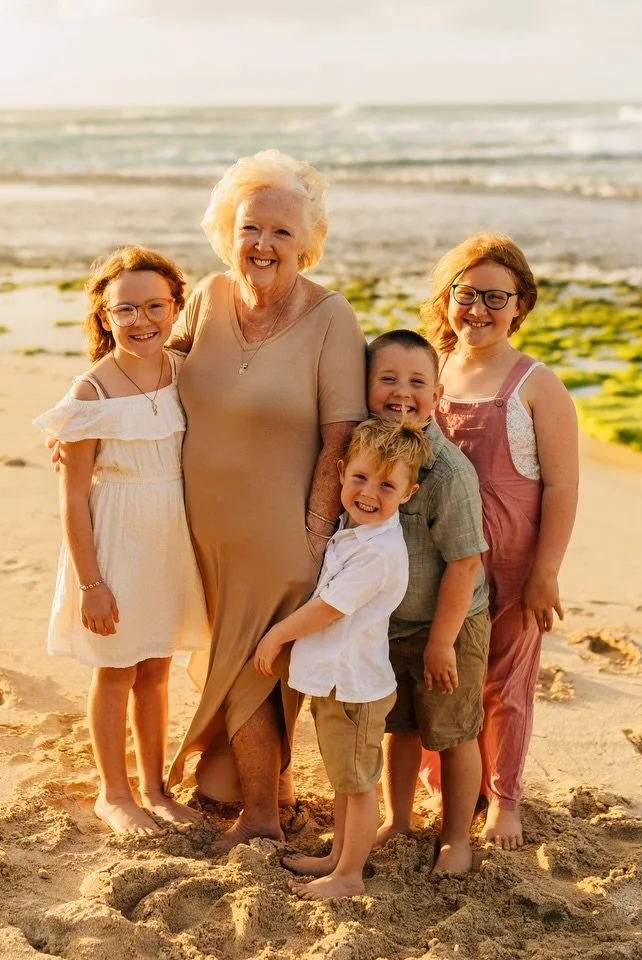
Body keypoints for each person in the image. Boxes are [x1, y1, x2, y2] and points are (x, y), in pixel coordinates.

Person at [163, 150, 368, 853]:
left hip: (282, 532)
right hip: (197, 525)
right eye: (252, 228)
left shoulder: (332, 318)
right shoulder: (207, 299)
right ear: (228, 232)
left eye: (282, 233)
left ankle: (261, 816)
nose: (264, 245)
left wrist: (316, 531)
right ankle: (266, 791)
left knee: (254, 666)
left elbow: (341, 436)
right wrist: (84, 421)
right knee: (243, 667)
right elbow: (155, 375)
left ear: (305, 243)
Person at [33, 245, 210, 836]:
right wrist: (91, 583)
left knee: (156, 666)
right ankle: (115, 793)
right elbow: (74, 496)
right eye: (126, 310)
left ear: (176, 306)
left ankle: (155, 788)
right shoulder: (91, 394)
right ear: (104, 317)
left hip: (170, 541)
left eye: (156, 306)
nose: (142, 321)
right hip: (115, 542)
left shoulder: (185, 371)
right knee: (115, 668)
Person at [422, 232, 580, 850]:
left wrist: (547, 572)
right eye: (467, 294)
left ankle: (504, 797)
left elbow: (562, 487)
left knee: (506, 682)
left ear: (520, 306)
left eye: (496, 297)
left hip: (512, 564)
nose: (479, 310)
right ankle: (447, 787)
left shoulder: (537, 385)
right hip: (438, 555)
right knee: (441, 674)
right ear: (447, 298)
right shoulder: (428, 370)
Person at [252, 417, 429, 899]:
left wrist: (276, 637)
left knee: (358, 785)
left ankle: (350, 875)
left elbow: (329, 608)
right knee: (343, 778)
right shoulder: (354, 532)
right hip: (336, 682)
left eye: (387, 486)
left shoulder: (377, 551)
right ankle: (337, 856)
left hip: (353, 685)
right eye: (360, 478)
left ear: (408, 494)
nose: (369, 492)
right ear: (341, 470)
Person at [366, 329, 490, 875]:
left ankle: (457, 837)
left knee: (454, 732)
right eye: (387, 379)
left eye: (417, 382)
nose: (401, 393)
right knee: (403, 726)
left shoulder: (449, 472)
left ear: (437, 394)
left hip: (451, 627)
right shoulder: (369, 455)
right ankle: (398, 819)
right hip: (393, 626)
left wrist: (441, 643)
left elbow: (464, 564)